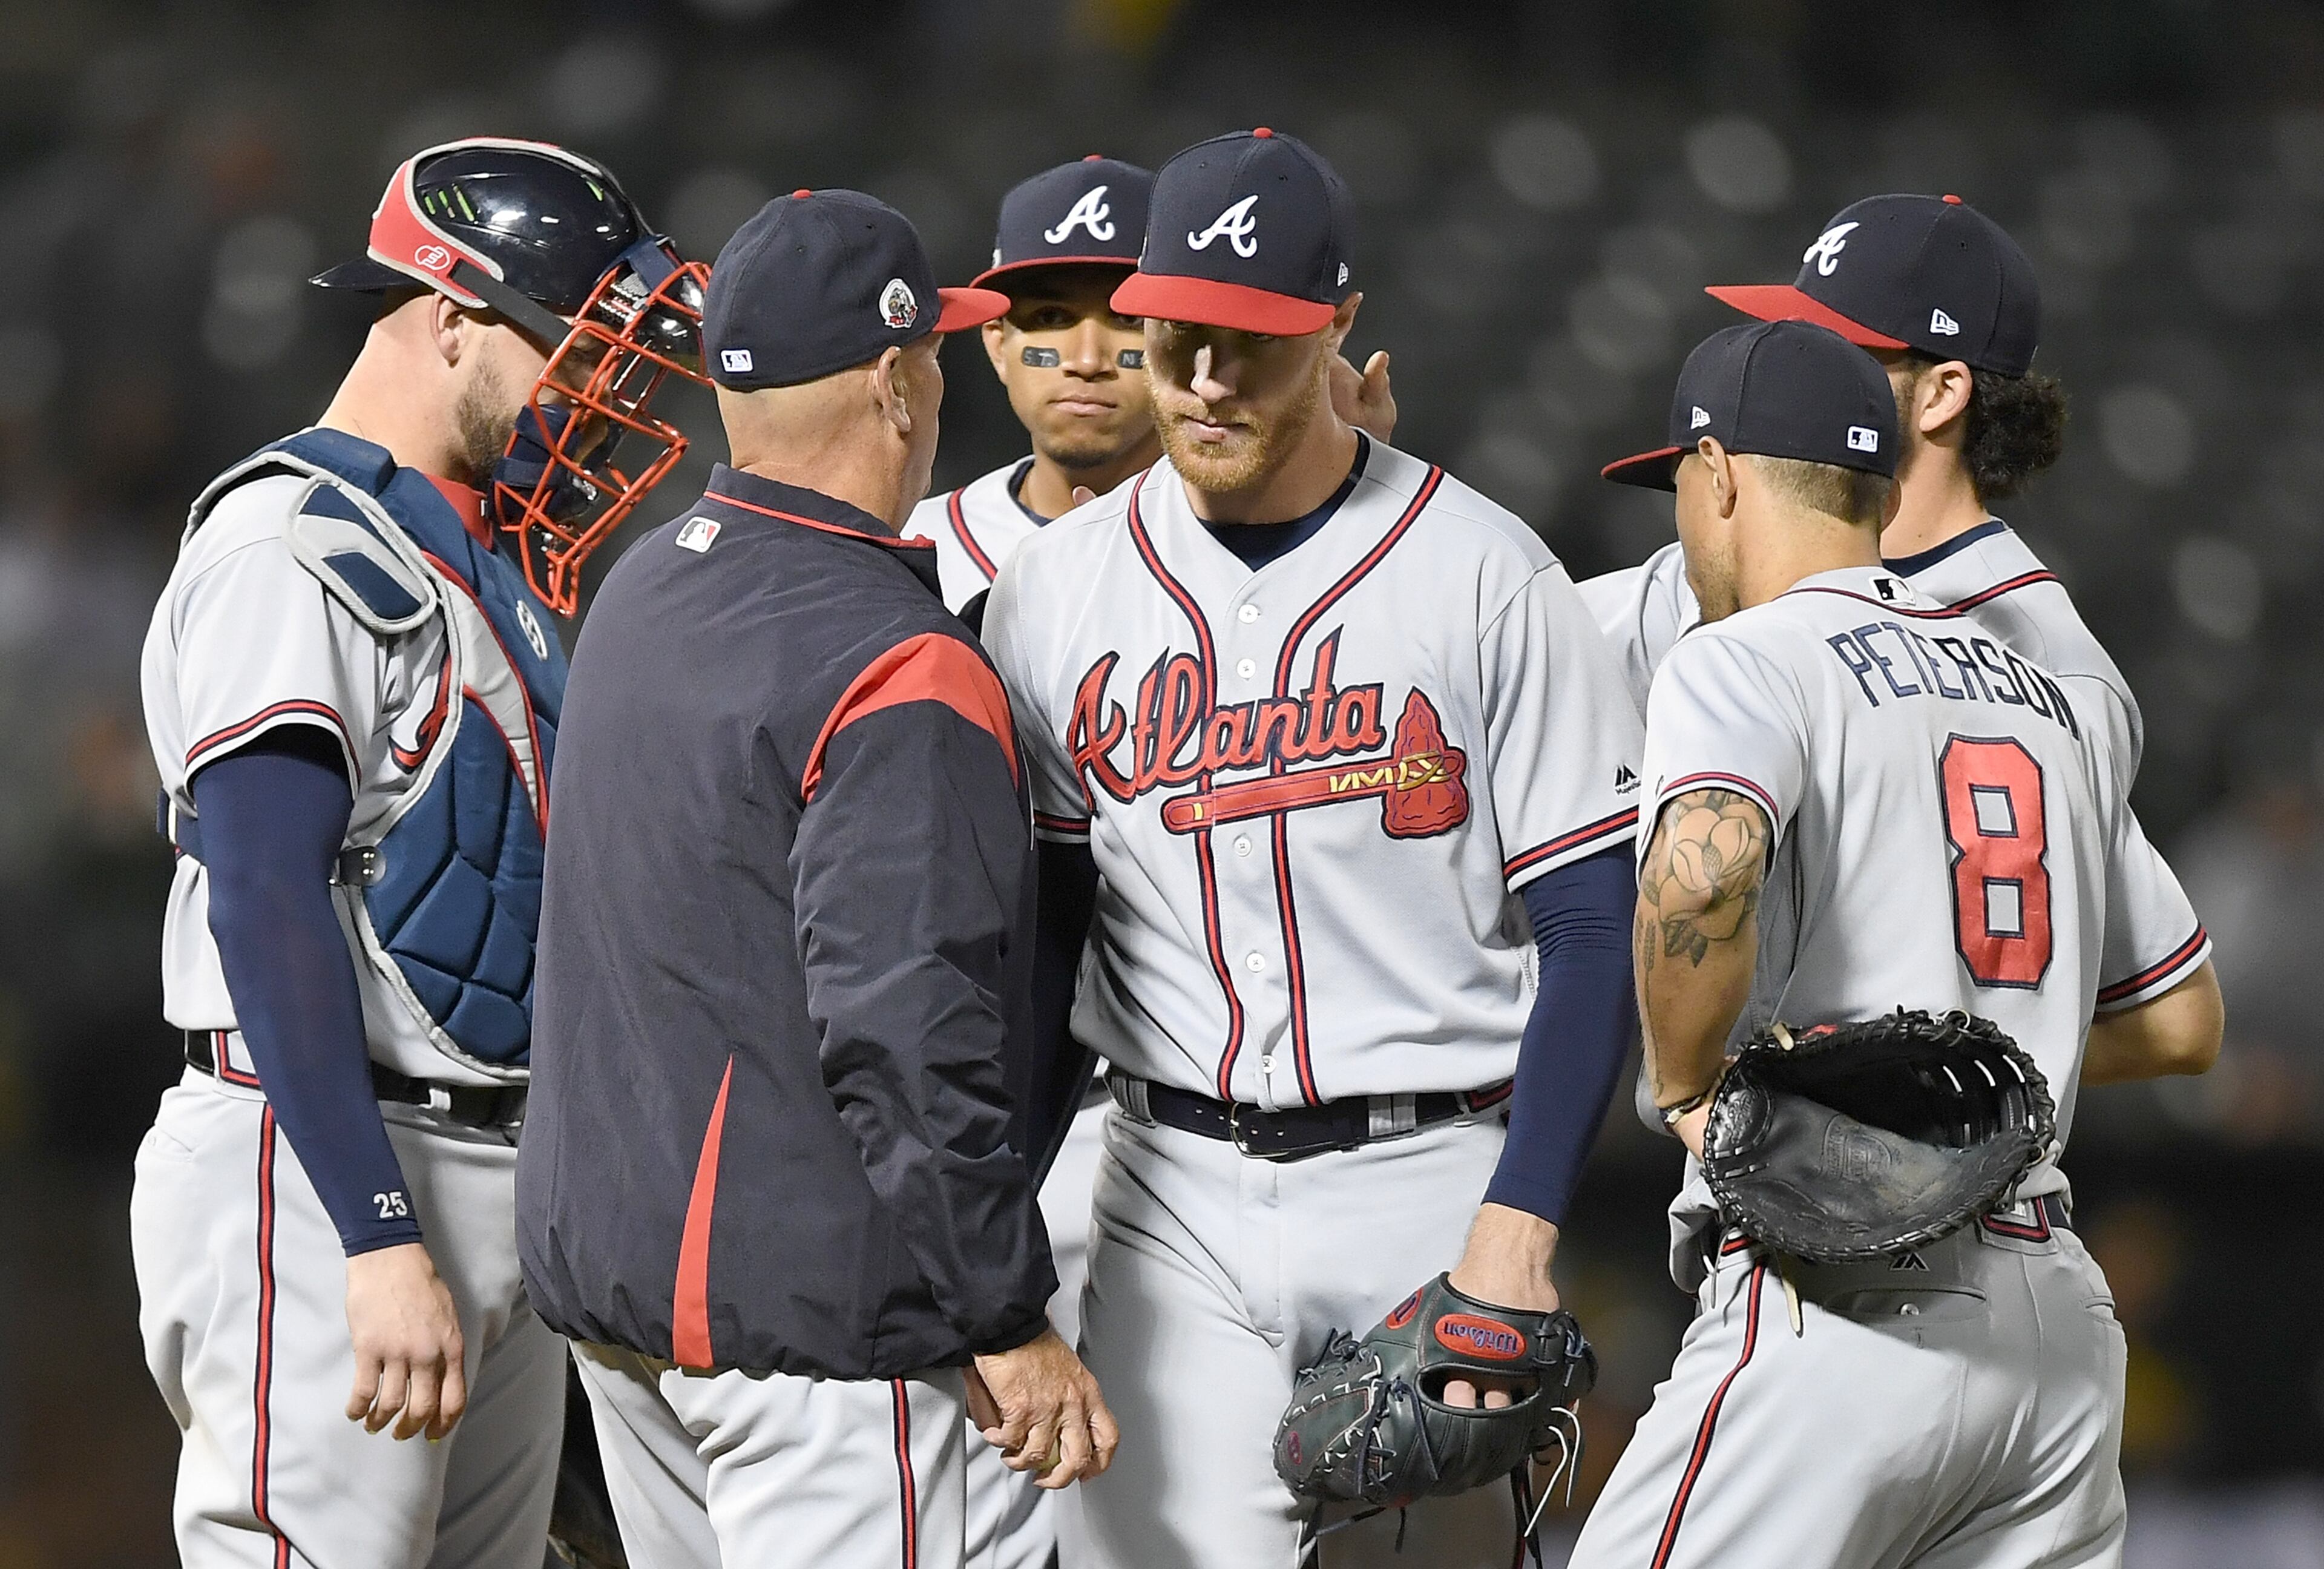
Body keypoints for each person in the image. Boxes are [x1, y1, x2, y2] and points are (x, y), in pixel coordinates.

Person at [980, 128, 1643, 1569]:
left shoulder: (1482, 572)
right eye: (1180, 339)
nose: (1207, 379)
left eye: (1253, 343)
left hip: (1431, 1176)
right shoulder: (1050, 592)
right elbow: (1045, 931)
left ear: (1338, 325)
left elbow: (1595, 932)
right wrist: (1002, 1227)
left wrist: (1521, 1222)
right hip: (1163, 1185)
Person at [516, 188, 1118, 1569]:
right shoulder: (899, 663)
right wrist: (1002, 1312)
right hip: (810, 1341)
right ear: (897, 387)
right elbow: (909, 1033)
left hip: (615, 1300)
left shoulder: (639, 589)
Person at [132, 136, 707, 1565]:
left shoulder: (482, 560)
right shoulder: (286, 542)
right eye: (571, 344)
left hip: (489, 1163)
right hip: (319, 1156)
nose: (595, 390)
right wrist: (377, 1235)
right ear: (447, 312)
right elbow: (265, 897)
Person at [1569, 320, 2223, 1568]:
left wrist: (1689, 1089)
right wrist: (1992, 1033)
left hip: (1847, 1308)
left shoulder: (1741, 657)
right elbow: (2183, 1015)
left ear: (1717, 477)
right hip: (2059, 1331)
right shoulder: (2052, 697)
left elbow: (1702, 879)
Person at [1579, 194, 2139, 777]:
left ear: (1943, 394)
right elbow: (1514, 641)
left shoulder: (2054, 671)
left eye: (1837, 351)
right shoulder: (1727, 556)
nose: (1793, 366)